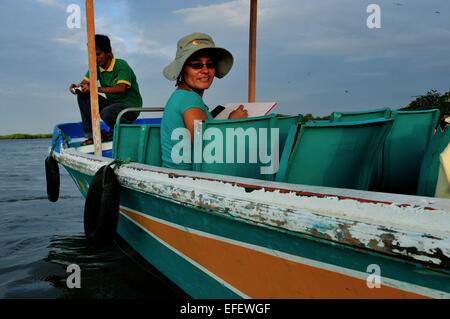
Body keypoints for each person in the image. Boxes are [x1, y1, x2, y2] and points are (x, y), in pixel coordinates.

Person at [161, 32, 248, 170]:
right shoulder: (190, 100)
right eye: (196, 65)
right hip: (189, 180)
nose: (205, 70)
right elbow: (208, 147)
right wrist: (232, 123)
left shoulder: (180, 96)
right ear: (182, 70)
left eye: (210, 65)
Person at [69, 34, 143, 145]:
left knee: (107, 113)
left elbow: (121, 88)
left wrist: (94, 88)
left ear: (109, 53)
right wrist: (77, 88)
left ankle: (126, 130)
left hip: (130, 107)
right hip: (112, 106)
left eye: (98, 54)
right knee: (83, 95)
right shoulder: (96, 67)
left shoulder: (121, 65)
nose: (95, 58)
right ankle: (93, 135)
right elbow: (85, 84)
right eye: (92, 55)